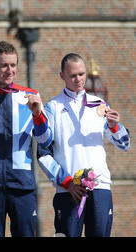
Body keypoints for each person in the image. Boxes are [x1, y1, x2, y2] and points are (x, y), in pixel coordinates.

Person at [37, 53, 130, 237]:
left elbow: (124, 144)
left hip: (100, 187)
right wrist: (67, 182)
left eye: (81, 74)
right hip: (69, 190)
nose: (78, 79)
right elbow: (42, 154)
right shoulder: (52, 107)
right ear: (62, 75)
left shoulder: (100, 104)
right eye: (72, 75)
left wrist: (114, 126)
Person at [0, 41, 52, 237]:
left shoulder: (31, 96)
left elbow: (45, 140)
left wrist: (38, 114)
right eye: (4, 65)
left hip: (21, 184)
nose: (9, 70)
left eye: (13, 65)